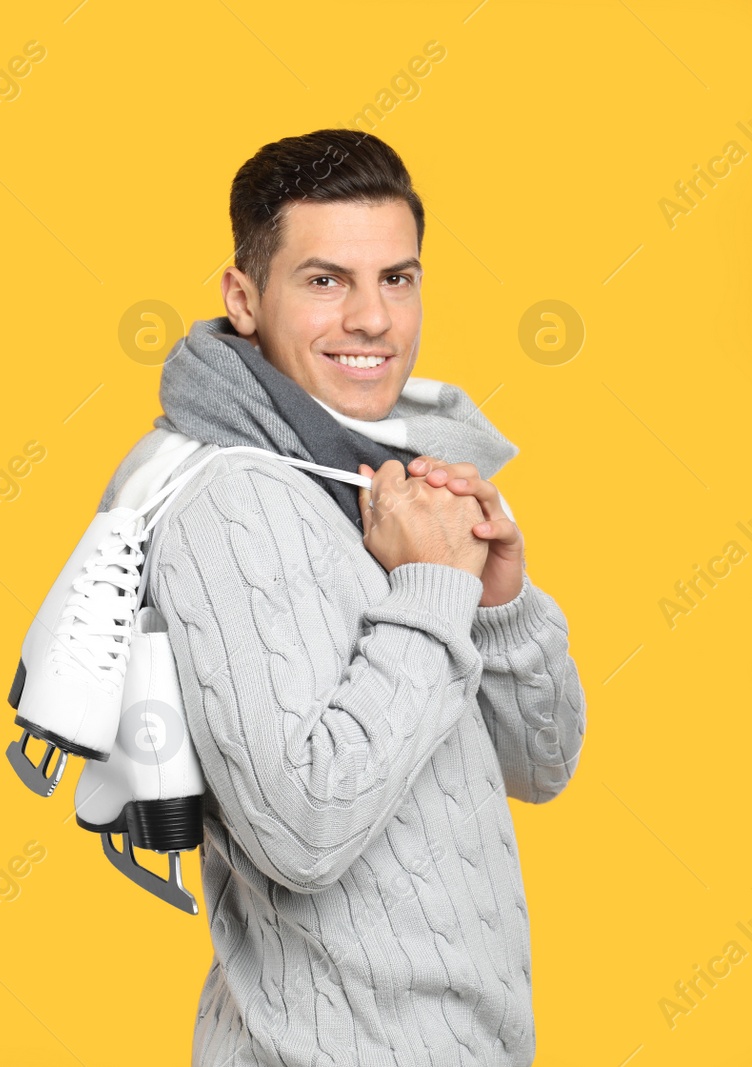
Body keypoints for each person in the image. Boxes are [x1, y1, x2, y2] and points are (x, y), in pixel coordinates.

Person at [96, 129, 586, 1067]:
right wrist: (433, 585)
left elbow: (541, 764)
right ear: (244, 298)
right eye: (325, 281)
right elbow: (301, 828)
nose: (372, 319)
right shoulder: (232, 500)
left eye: (396, 279)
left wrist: (499, 603)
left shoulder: (381, 476)